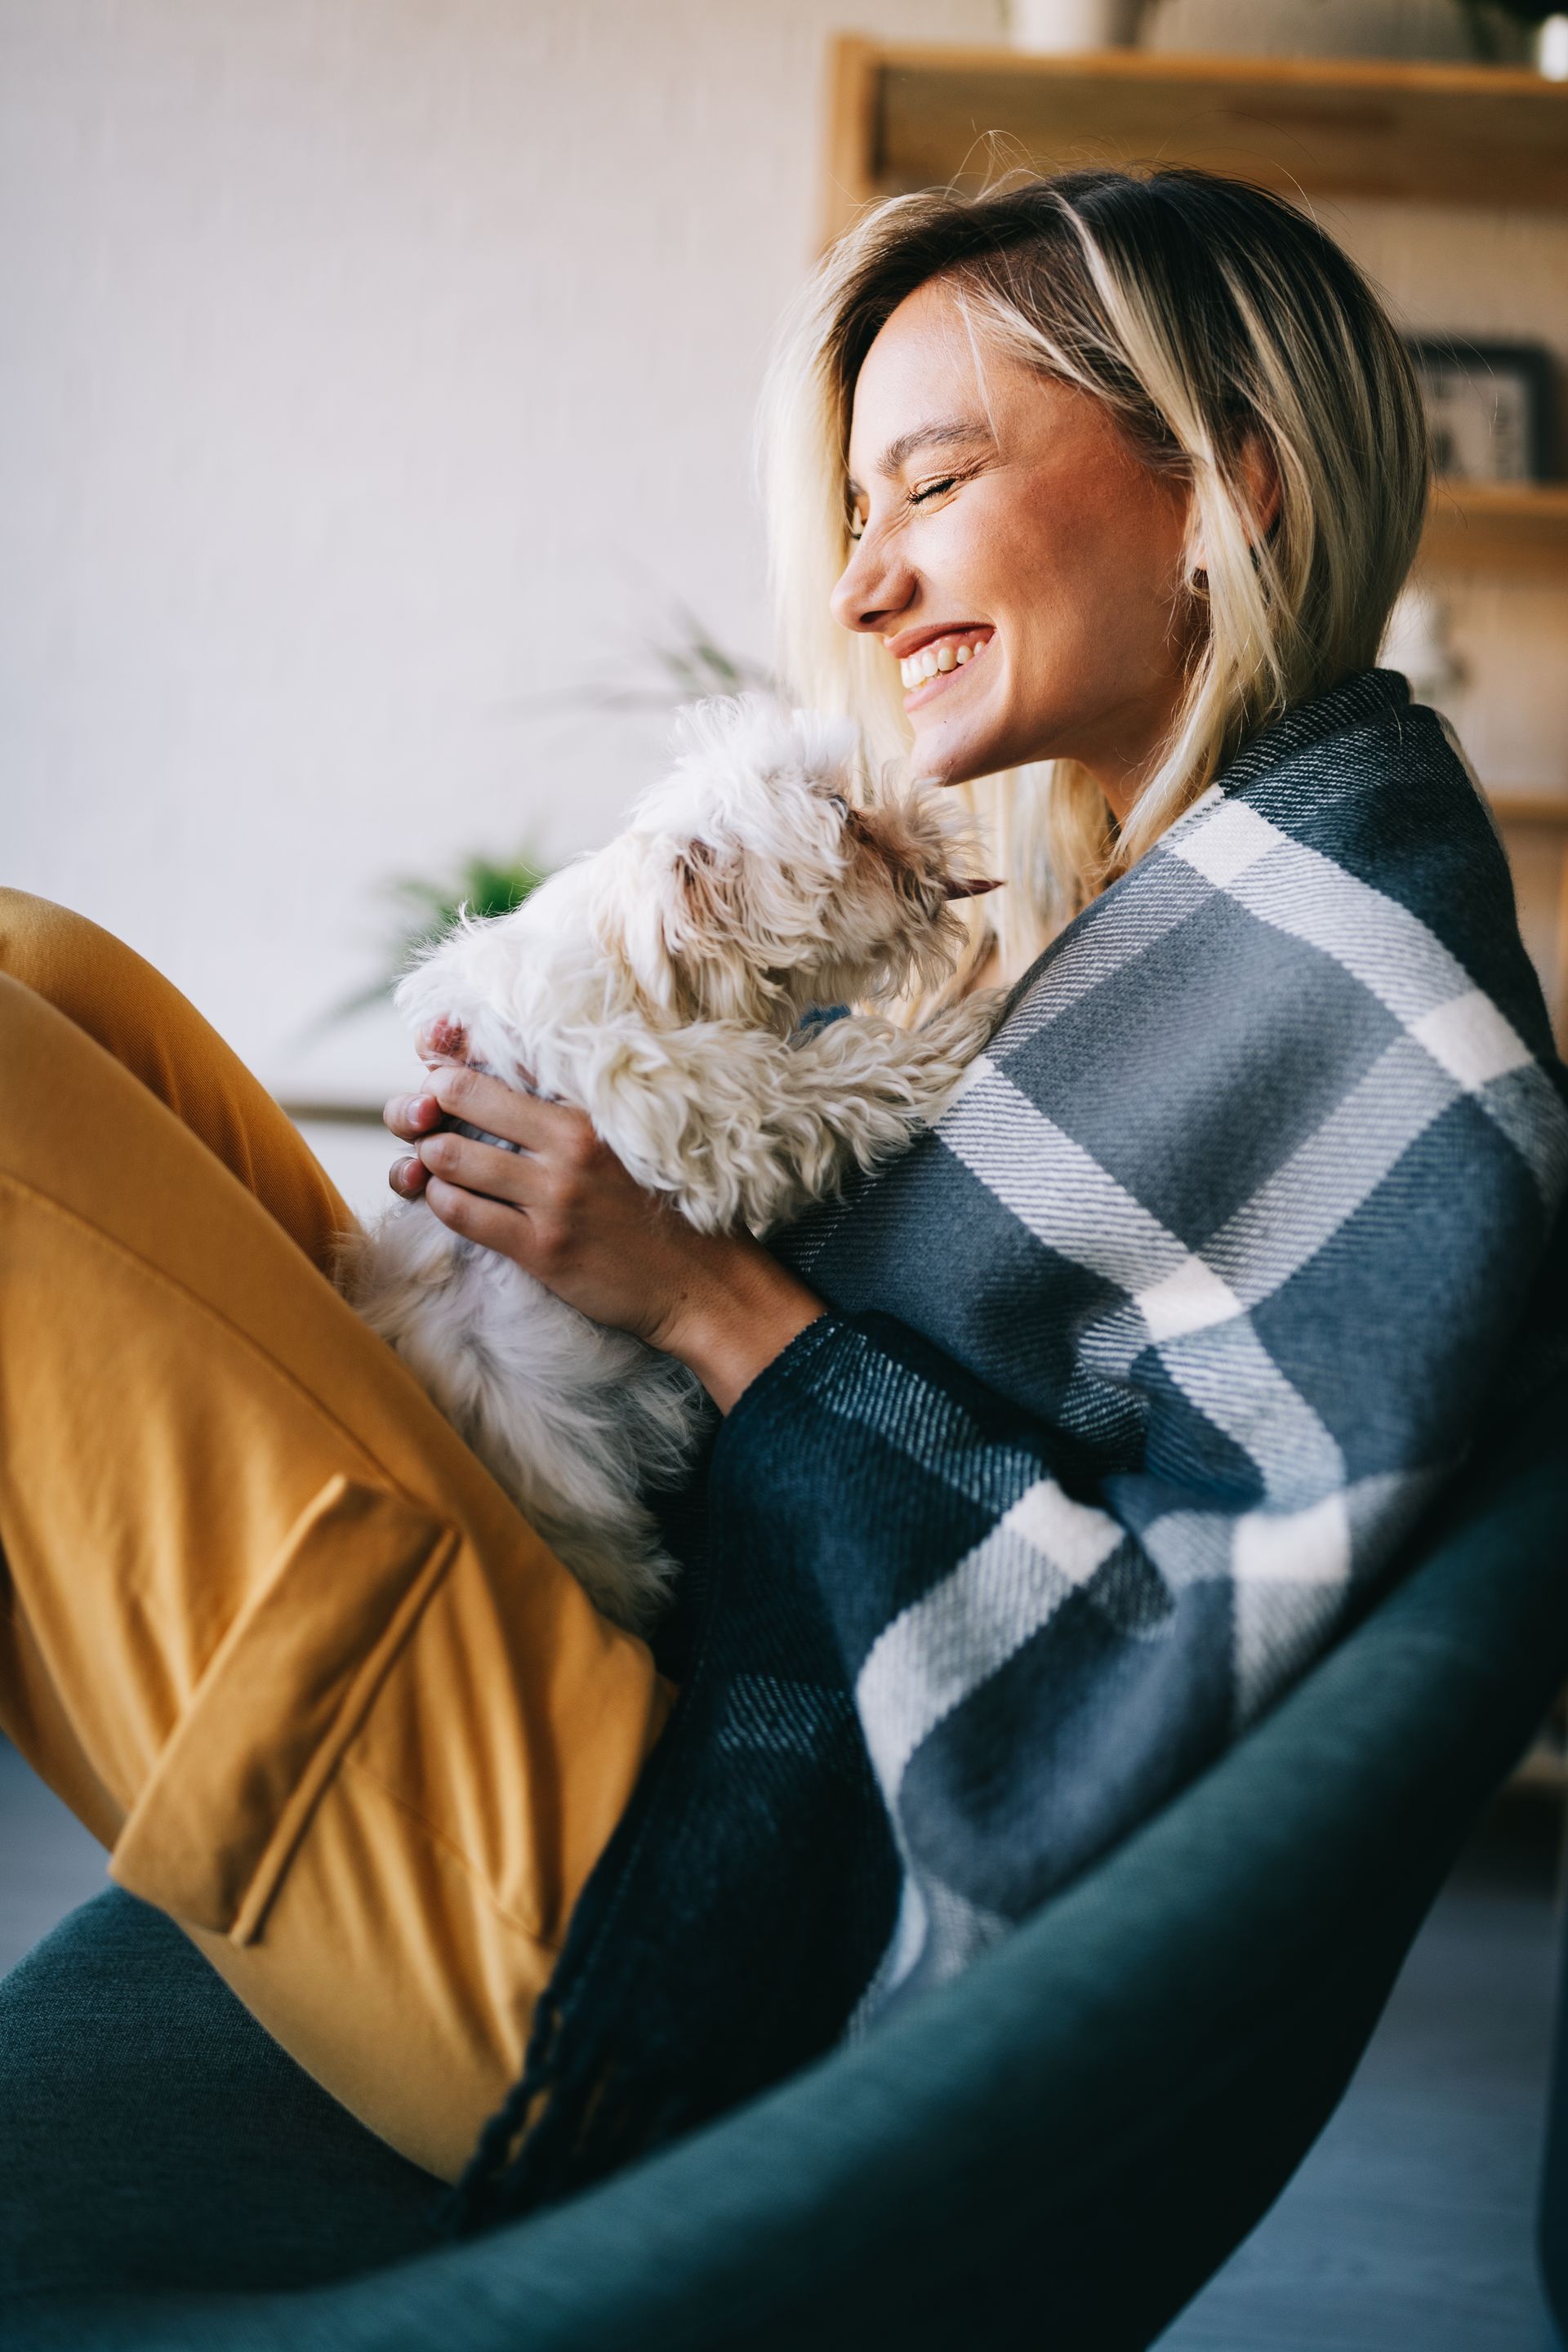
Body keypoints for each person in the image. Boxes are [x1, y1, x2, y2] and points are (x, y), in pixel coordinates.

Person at [1, 167, 1562, 2283]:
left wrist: (707, 1302)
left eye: (926, 483)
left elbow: (1144, 1696)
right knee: (47, 979)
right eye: (855, 514)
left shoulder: (1369, 1002)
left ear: (1226, 493)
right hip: (666, 1700)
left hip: (696, 1926)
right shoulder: (1221, 909)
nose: (863, 585)